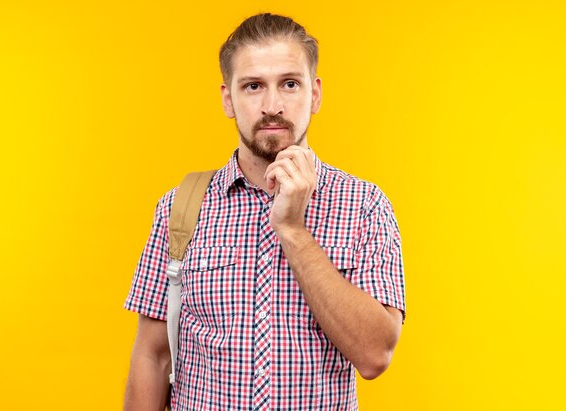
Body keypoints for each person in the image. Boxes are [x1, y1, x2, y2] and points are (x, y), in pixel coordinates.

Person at [123, 13, 406, 411]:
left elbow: (376, 354)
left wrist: (292, 228)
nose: (272, 106)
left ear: (316, 94)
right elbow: (152, 356)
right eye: (253, 86)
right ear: (228, 99)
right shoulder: (180, 207)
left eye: (290, 84)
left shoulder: (364, 206)